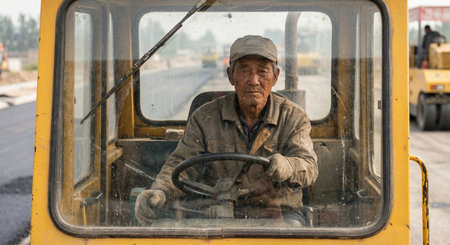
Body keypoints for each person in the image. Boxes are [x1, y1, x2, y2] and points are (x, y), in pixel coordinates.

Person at [135, 35, 318, 225]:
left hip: (278, 213)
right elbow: (180, 164)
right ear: (231, 76)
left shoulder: (293, 117)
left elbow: (309, 167)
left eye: (262, 72)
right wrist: (160, 191)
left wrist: (287, 166)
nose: (254, 80)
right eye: (244, 71)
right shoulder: (204, 118)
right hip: (214, 213)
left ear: (275, 77)